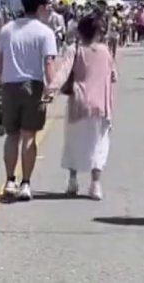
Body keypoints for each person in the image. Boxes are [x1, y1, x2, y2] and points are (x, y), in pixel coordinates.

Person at [0, 0, 59, 201]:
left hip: (9, 85)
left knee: (11, 135)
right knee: (29, 136)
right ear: (40, 7)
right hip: (33, 85)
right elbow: (48, 62)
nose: (50, 9)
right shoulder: (44, 33)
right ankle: (26, 183)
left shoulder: (7, 30)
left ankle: (9, 180)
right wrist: (52, 87)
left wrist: (1, 86)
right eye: (48, 5)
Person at [61, 14, 116, 200]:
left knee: (73, 142)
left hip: (78, 103)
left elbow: (63, 73)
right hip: (101, 105)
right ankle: (95, 185)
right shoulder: (105, 52)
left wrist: (49, 91)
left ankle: (73, 181)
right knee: (98, 144)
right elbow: (113, 76)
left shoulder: (74, 50)